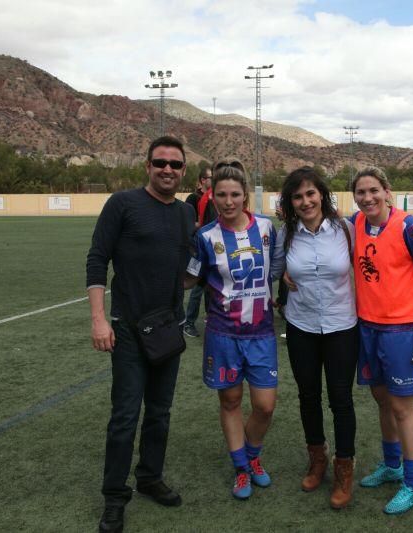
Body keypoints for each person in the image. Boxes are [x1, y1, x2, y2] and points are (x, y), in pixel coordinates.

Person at [86, 136, 196, 532]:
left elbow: (187, 270)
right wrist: (99, 319)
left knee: (161, 412)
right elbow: (97, 260)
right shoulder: (123, 204)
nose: (168, 169)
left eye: (175, 164)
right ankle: (115, 495)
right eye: (160, 162)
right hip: (129, 330)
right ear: (147, 166)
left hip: (168, 328)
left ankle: (149, 477)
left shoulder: (185, 214)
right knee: (125, 415)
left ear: (184, 171)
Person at [350, 167, 413, 515]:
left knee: (403, 407)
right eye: (361, 192)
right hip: (367, 326)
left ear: (387, 191)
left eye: (374, 190)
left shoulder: (409, 226)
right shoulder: (357, 223)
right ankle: (392, 465)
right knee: (382, 399)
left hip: (401, 330)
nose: (368, 198)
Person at [185, 161, 278, 500]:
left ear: (245, 196)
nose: (228, 201)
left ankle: (251, 456)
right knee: (231, 401)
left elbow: (281, 269)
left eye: (234, 194)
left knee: (265, 406)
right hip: (223, 333)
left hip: (262, 333)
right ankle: (242, 468)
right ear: (213, 196)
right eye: (221, 195)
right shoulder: (205, 236)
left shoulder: (267, 229)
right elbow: (190, 278)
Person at [272, 167, 358, 509]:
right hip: (301, 325)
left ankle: (344, 469)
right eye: (297, 196)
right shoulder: (286, 234)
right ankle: (317, 459)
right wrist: (283, 277)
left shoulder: (345, 229)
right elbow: (274, 268)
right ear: (290, 202)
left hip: (341, 325)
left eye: (310, 193)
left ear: (322, 194)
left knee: (341, 399)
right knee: (308, 396)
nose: (306, 201)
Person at [183, 163, 213, 338]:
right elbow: (189, 224)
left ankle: (211, 318)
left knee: (210, 285)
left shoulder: (213, 197)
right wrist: (202, 224)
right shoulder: (194, 199)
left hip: (209, 247)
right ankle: (188, 323)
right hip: (196, 249)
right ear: (203, 180)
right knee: (197, 286)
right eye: (211, 177)